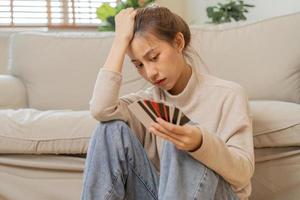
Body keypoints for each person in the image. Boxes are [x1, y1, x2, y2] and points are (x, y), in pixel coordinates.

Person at [81, 5, 254, 200]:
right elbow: (101, 109)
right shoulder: (145, 102)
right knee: (109, 129)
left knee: (178, 134)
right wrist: (119, 41)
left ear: (178, 42)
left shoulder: (229, 95)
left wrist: (200, 143)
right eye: (139, 65)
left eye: (154, 57)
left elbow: (243, 174)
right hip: (162, 194)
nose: (150, 73)